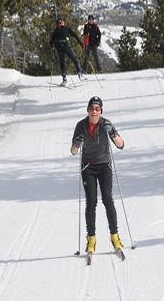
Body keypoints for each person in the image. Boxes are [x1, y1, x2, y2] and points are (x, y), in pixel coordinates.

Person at [70, 96, 126, 257]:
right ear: (87, 110)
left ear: (101, 111)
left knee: (108, 199)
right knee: (91, 202)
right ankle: (91, 239)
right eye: (92, 108)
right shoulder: (80, 126)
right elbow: (73, 152)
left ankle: (115, 237)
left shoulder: (106, 123)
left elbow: (121, 145)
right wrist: (77, 143)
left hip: (104, 166)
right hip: (88, 167)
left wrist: (113, 132)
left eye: (97, 109)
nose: (94, 111)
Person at [49, 17, 84, 85]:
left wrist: (52, 46)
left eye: (61, 22)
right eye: (60, 23)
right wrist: (81, 43)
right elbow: (75, 35)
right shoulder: (65, 29)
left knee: (64, 63)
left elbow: (51, 41)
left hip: (61, 48)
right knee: (73, 60)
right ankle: (79, 73)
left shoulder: (56, 31)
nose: (61, 24)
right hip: (65, 48)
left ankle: (66, 77)